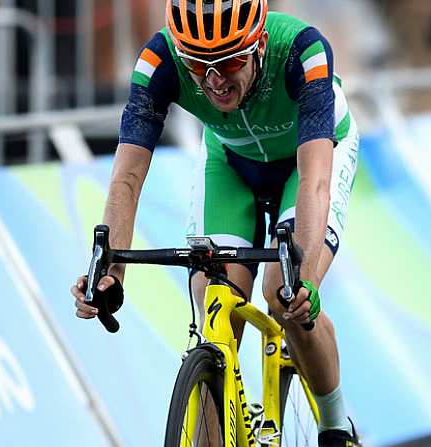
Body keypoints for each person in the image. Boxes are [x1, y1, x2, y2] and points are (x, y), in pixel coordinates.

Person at [70, 1, 360, 445]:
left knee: (282, 294)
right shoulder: (158, 61)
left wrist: (303, 278)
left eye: (230, 61)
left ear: (259, 43)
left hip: (310, 162)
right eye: (197, 65)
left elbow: (315, 183)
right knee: (216, 307)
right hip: (231, 163)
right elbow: (126, 178)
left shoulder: (304, 52)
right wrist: (109, 273)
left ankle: (336, 424)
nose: (214, 80)